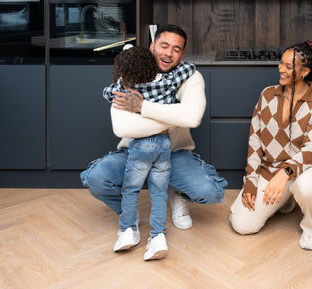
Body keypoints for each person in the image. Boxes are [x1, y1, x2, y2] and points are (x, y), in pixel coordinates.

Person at [80, 24, 228, 257]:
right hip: (131, 151)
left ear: (182, 54)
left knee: (210, 191)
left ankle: (175, 191)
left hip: (175, 153)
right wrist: (175, 116)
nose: (169, 53)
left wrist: (142, 107)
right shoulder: (130, 74)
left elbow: (193, 117)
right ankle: (129, 216)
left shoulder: (190, 77)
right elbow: (123, 127)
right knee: (96, 178)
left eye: (176, 49)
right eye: (164, 45)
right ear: (152, 46)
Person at [229, 41, 312, 250]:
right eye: (281, 63)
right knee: (242, 225)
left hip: (309, 169)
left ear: (305, 71)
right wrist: (250, 180)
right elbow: (254, 141)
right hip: (272, 170)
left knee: (307, 186)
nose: (280, 69)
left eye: (288, 66)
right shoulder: (267, 95)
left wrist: (285, 172)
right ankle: (287, 200)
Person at [102, 44, 196, 260]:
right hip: (164, 146)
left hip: (140, 148)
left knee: (131, 190)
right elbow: (188, 67)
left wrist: (120, 82)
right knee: (159, 193)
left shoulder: (125, 90)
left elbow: (106, 92)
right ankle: (158, 237)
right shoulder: (167, 82)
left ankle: (126, 230)